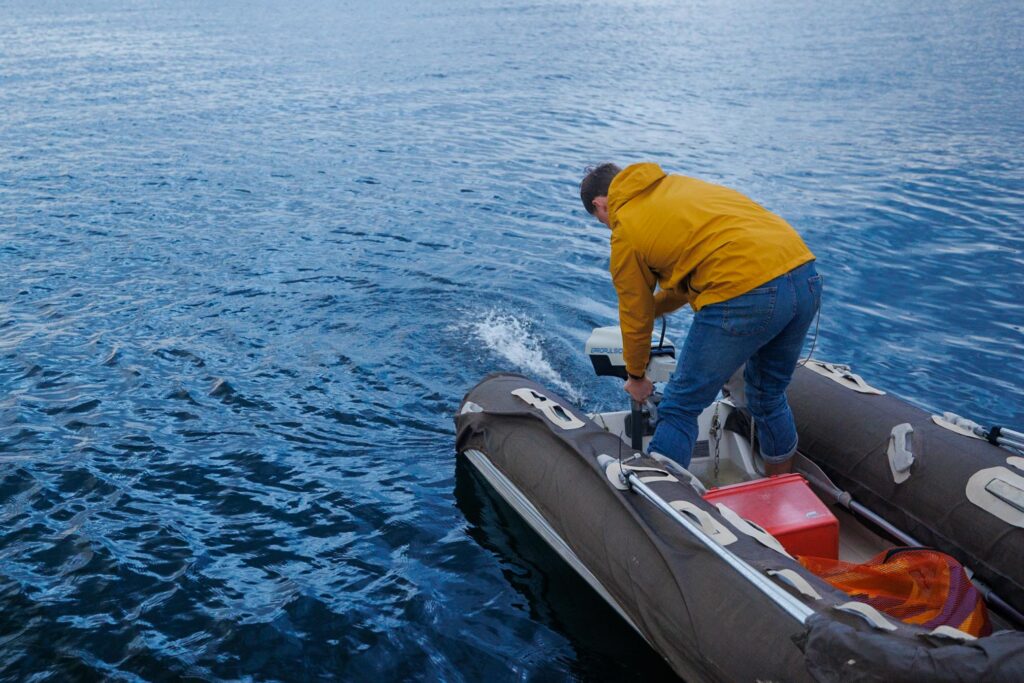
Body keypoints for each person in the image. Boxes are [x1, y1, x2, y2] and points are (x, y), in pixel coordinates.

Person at [580, 162, 822, 475]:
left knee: (680, 406)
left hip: (743, 292)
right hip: (804, 278)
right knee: (767, 396)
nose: (606, 224)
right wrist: (654, 307)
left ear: (600, 204)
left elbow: (634, 315)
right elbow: (695, 269)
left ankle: (663, 505)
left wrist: (637, 376)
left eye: (600, 218)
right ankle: (782, 490)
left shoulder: (625, 228)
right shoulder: (677, 187)